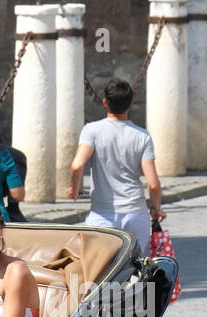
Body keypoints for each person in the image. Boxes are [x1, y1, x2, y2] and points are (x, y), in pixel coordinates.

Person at [68, 78, 165, 254]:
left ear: (105, 102)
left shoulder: (92, 131)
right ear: (131, 103)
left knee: (101, 270)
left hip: (102, 215)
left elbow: (77, 166)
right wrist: (157, 209)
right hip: (135, 213)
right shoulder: (143, 136)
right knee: (137, 270)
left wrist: (75, 189)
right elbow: (153, 184)